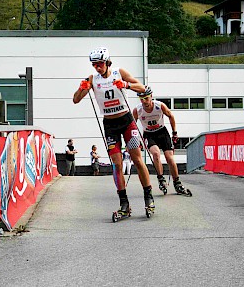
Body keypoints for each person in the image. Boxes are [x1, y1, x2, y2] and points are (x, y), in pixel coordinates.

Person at [73, 46, 155, 215]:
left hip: (126, 122)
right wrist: (82, 88)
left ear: (107, 62)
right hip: (110, 125)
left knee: (137, 159)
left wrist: (126, 85)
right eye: (94, 64)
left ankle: (148, 196)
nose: (97, 67)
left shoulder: (119, 72)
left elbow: (142, 87)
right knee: (116, 164)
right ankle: (124, 202)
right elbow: (76, 100)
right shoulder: (92, 78)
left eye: (100, 63)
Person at [133, 86, 187, 194]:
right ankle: (161, 178)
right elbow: (133, 125)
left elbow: (171, 116)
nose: (145, 102)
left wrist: (174, 132)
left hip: (162, 132)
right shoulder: (137, 110)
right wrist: (136, 139)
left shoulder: (159, 106)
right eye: (142, 99)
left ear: (151, 97)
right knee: (156, 154)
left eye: (146, 98)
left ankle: (177, 182)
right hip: (149, 134)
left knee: (169, 158)